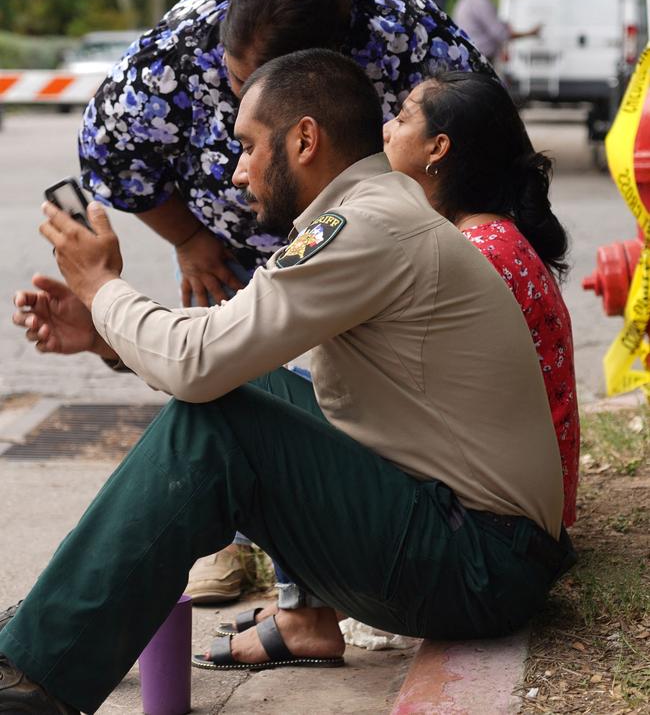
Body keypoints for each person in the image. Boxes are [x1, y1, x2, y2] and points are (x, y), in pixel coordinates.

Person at [2, 50, 573, 714]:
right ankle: (46, 637)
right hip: (478, 546)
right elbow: (223, 354)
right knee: (249, 391)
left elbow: (199, 360)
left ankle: (32, 680)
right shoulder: (377, 212)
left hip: (478, 565)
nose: (237, 169)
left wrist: (102, 287)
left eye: (247, 146)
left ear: (304, 139)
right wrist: (106, 333)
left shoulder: (365, 225)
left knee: (217, 423)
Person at [79, 0, 492, 603]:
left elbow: (482, 135)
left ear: (315, 95)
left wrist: (101, 292)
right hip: (244, 250)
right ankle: (229, 542)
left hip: (381, 248)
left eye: (254, 94)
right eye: (232, 81)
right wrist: (187, 237)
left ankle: (316, 583)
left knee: (315, 407)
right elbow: (108, 148)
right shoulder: (186, 44)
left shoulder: (406, 34)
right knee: (235, 387)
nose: (235, 102)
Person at [383, 70, 579, 527]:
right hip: (530, 496)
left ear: (438, 148)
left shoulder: (477, 254)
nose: (387, 128)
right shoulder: (494, 237)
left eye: (402, 117)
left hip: (503, 513)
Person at [453, 0, 541, 63]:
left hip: (468, 55)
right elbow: (500, 33)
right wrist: (530, 33)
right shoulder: (480, 1)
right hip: (478, 58)